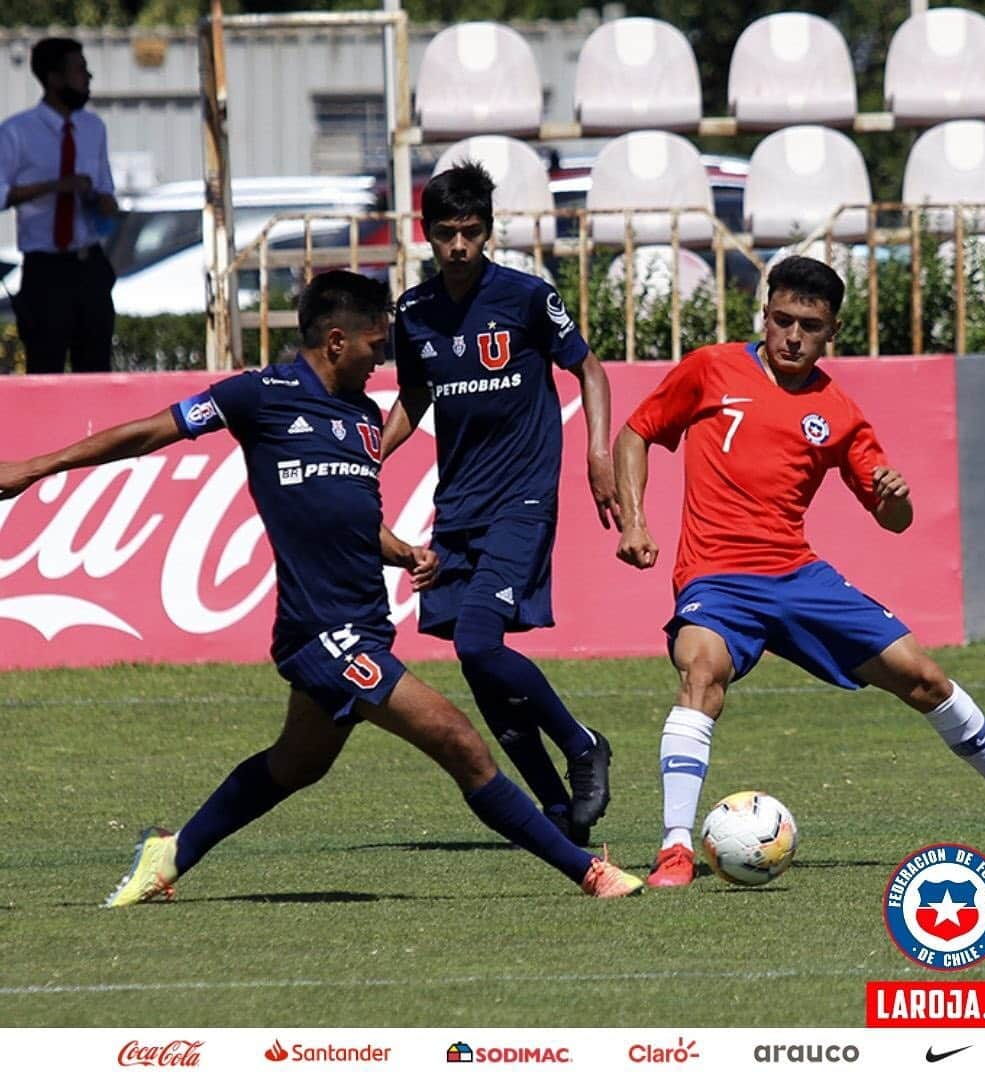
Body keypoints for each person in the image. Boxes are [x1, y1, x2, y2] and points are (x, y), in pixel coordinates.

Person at [0, 271, 643, 903]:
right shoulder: (260, 395)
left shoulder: (364, 418)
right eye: (374, 347)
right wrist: (37, 466)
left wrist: (404, 552)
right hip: (321, 633)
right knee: (458, 741)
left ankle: (170, 856)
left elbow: (350, 517)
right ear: (336, 341)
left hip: (363, 623)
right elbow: (147, 432)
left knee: (297, 764)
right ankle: (587, 872)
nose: (381, 362)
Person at [613, 255, 985, 888]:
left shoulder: (839, 413)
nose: (792, 336)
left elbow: (894, 519)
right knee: (701, 671)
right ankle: (676, 849)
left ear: (832, 332)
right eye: (782, 320)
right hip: (715, 579)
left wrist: (896, 495)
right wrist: (634, 518)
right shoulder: (711, 369)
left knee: (927, 679)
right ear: (765, 315)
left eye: (809, 325)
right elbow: (635, 433)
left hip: (797, 578)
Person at [383, 162, 619, 844]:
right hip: (455, 507)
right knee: (476, 665)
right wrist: (368, 457)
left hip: (521, 498)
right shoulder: (414, 312)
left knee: (480, 641)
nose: (459, 246)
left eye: (472, 232)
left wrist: (595, 453)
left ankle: (581, 745)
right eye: (447, 233)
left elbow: (589, 368)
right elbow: (413, 397)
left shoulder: (524, 297)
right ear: (425, 233)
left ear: (488, 231)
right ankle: (555, 809)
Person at [0, 37, 118, 374]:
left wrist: (103, 200)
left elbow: (106, 189)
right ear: (54, 79)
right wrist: (55, 186)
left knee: (96, 365)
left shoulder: (93, 128)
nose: (88, 77)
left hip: (88, 261)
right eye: (79, 70)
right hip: (46, 268)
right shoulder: (16, 133)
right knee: (45, 364)